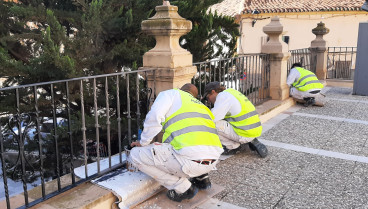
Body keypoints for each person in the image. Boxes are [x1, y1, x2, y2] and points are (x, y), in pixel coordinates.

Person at [129, 83, 223, 202]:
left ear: (181, 90)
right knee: (185, 148)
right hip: (212, 161)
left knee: (135, 155)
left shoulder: (171, 94)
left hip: (190, 162)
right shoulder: (203, 107)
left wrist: (143, 142)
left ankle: (184, 188)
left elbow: (155, 116)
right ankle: (202, 178)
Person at [202, 82, 268, 158]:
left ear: (213, 92)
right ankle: (249, 140)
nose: (209, 101)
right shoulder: (232, 92)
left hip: (244, 133)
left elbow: (211, 118)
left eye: (207, 98)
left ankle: (233, 147)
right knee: (223, 120)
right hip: (254, 130)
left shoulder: (223, 97)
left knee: (212, 124)